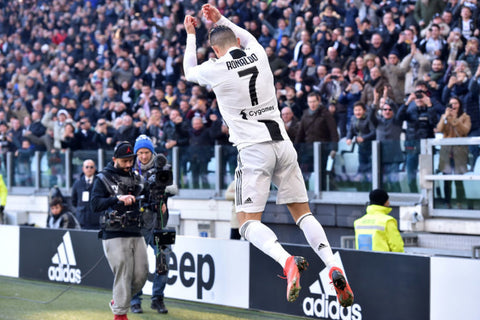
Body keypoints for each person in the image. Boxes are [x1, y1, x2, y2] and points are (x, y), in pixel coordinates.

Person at [183, 4, 353, 306]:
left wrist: (191, 36)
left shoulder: (216, 68)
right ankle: (333, 265)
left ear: (215, 49)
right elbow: (245, 37)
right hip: (283, 143)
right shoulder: (259, 53)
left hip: (253, 150)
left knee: (247, 223)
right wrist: (220, 19)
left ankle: (287, 262)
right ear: (236, 41)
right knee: (304, 214)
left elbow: (187, 71)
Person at [90, 141, 148, 320]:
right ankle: (120, 314)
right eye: (124, 161)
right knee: (123, 273)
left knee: (141, 275)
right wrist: (117, 199)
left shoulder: (138, 178)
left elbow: (146, 200)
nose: (129, 164)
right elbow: (95, 204)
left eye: (131, 160)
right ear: (115, 159)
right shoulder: (103, 178)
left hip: (136, 231)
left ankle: (118, 301)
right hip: (113, 232)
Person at [130, 135, 173, 314]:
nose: (143, 156)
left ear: (152, 151)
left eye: (146, 152)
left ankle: (158, 299)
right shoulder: (130, 169)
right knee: (138, 264)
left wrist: (164, 196)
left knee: (164, 261)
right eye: (140, 153)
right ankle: (135, 300)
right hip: (139, 223)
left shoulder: (163, 166)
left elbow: (174, 187)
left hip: (160, 221)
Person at [436, 97, 471, 208]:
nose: (453, 106)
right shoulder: (445, 117)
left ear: (459, 104)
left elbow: (464, 130)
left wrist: (455, 120)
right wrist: (445, 117)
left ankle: (460, 202)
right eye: (451, 104)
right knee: (447, 180)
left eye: (455, 104)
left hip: (459, 152)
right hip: (447, 153)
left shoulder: (465, 117)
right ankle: (448, 202)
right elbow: (439, 129)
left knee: (458, 180)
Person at [71, 159, 100, 229]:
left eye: (91, 167)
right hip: (82, 220)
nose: (89, 169)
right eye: (87, 167)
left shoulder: (100, 182)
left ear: (95, 168)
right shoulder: (77, 183)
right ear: (83, 169)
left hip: (96, 220)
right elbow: (74, 201)